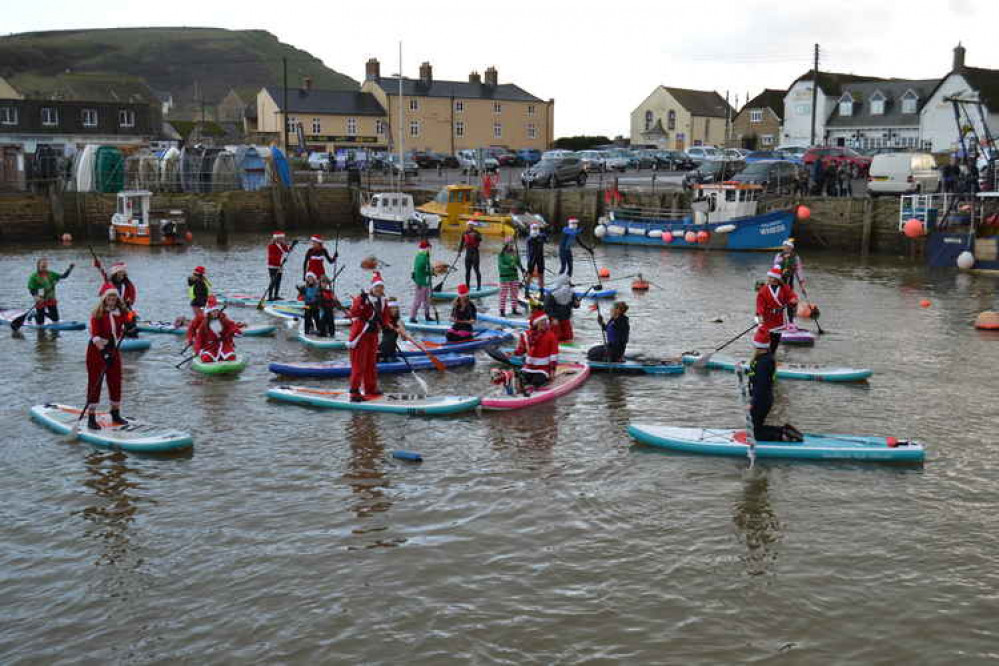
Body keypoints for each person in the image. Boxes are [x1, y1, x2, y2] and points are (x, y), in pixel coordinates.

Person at [747, 327, 803, 442]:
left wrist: (752, 403)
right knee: (756, 427)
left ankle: (783, 436)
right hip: (765, 398)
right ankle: (784, 430)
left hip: (761, 399)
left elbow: (761, 386)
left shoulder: (762, 362)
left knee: (754, 434)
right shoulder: (766, 358)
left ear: (757, 345)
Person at [85, 287, 128, 430]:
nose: (111, 301)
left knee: (116, 379)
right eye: (109, 298)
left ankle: (115, 412)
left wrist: (131, 324)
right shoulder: (97, 314)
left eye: (114, 298)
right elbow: (95, 335)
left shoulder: (120, 313)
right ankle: (91, 417)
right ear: (104, 299)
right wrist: (103, 353)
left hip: (114, 350)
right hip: (97, 351)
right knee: (95, 382)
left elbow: (125, 324)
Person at [346, 273, 391, 402]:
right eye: (377, 287)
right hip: (361, 335)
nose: (379, 290)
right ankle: (354, 393)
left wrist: (387, 325)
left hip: (373, 335)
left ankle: (370, 388)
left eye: (381, 287)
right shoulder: (363, 298)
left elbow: (385, 316)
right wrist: (361, 301)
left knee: (371, 363)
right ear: (372, 288)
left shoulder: (382, 301)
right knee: (359, 365)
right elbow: (354, 312)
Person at [512, 309, 560, 391]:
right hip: (528, 367)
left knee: (537, 381)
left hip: (543, 369)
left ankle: (531, 387)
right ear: (536, 323)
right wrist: (513, 353)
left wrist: (552, 372)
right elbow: (521, 350)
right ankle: (520, 384)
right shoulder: (526, 335)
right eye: (542, 321)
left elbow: (553, 355)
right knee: (523, 378)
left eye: (545, 321)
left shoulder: (551, 336)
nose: (545, 323)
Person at [27, 257, 74, 325]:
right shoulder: (34, 277)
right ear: (38, 266)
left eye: (45, 266)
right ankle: (35, 315)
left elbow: (63, 276)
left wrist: (70, 269)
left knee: (55, 319)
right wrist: (35, 296)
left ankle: (40, 314)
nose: (44, 268)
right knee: (40, 322)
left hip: (50, 297)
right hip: (40, 298)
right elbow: (31, 288)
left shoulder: (51, 274)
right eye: (42, 266)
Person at [756, 266, 799, 335]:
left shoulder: (784, 288)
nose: (768, 279)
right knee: (767, 335)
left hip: (780, 318)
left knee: (778, 334)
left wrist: (793, 300)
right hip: (768, 317)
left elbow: (792, 296)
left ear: (776, 279)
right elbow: (760, 304)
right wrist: (760, 315)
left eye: (771, 277)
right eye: (768, 277)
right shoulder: (763, 290)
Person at [543, 274, 580, 342]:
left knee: (569, 337)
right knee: (556, 337)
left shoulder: (571, 292)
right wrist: (553, 318)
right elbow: (546, 308)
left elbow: (575, 305)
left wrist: (576, 304)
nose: (568, 286)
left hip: (566, 318)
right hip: (555, 319)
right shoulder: (551, 294)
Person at [497, 236, 524, 318]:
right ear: (506, 244)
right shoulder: (501, 254)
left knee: (514, 293)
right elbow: (501, 265)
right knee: (503, 295)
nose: (511, 246)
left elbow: (518, 262)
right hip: (504, 277)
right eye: (509, 244)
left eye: (512, 244)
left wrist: (522, 268)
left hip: (514, 276)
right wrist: (509, 267)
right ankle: (502, 311)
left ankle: (514, 309)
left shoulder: (515, 253)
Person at [410, 239, 432, 323]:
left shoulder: (425, 256)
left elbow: (426, 268)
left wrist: (431, 272)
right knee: (418, 301)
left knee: (427, 300)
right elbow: (418, 270)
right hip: (420, 282)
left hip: (425, 282)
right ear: (426, 248)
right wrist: (429, 272)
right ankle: (412, 317)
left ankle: (427, 315)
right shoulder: (421, 257)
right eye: (429, 248)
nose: (430, 250)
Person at [266, 232, 292, 301]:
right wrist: (280, 262)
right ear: (276, 238)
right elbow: (272, 257)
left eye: (283, 238)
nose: (283, 240)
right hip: (272, 266)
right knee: (273, 281)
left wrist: (291, 246)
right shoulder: (271, 246)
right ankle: (270, 296)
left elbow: (287, 251)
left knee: (278, 281)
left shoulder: (282, 245)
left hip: (280, 266)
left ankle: (276, 295)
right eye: (281, 238)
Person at [378, 298, 405, 362]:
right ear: (387, 309)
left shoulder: (399, 321)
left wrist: (402, 331)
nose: (394, 310)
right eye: (391, 308)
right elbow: (380, 327)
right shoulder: (385, 320)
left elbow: (404, 339)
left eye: (395, 308)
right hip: (385, 349)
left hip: (392, 350)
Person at [460, 220, 483, 291]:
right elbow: (461, 243)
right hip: (468, 253)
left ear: (473, 226)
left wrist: (475, 236)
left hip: (475, 253)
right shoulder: (464, 233)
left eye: (471, 225)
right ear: (467, 225)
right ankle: (467, 286)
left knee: (476, 270)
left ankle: (479, 286)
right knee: (467, 271)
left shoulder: (476, 232)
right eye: (469, 225)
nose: (470, 226)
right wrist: (459, 252)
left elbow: (480, 239)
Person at [525, 223, 547, 292]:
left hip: (540, 258)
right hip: (531, 258)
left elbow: (546, 238)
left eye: (536, 229)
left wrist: (543, 229)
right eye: (533, 229)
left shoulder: (541, 236)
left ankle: (541, 292)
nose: (535, 230)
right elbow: (528, 249)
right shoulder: (529, 239)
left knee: (541, 275)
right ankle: (527, 291)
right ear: (531, 230)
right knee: (530, 274)